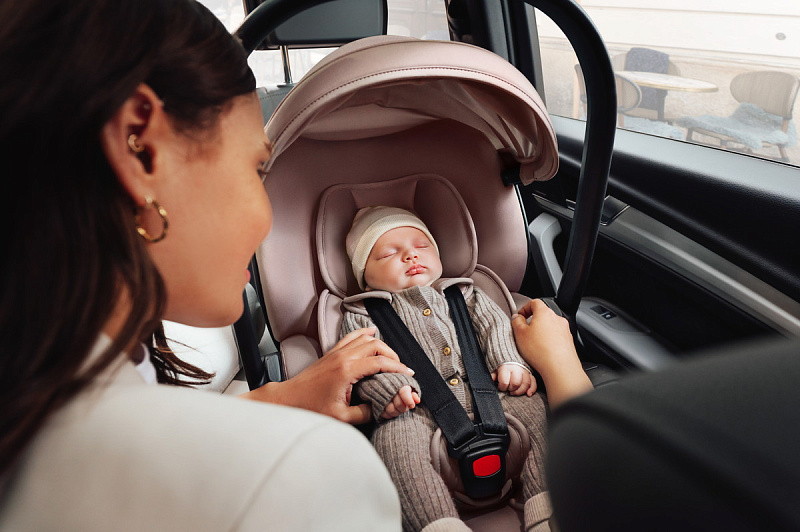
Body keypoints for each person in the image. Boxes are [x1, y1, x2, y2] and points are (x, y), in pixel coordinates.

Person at [0, 0, 586, 529]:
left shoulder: (43, 400)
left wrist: (276, 399)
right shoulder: (292, 475)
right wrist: (565, 373)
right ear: (141, 148)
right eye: (257, 171)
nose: (267, 223)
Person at [340, 207, 592, 532]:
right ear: (364, 276)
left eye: (421, 246)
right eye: (389, 253)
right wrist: (391, 390)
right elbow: (363, 361)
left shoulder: (465, 294)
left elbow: (495, 327)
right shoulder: (361, 314)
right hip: (417, 410)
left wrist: (509, 362)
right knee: (392, 443)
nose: (410, 256)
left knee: (539, 411)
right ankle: (439, 523)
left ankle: (546, 509)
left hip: (492, 393)